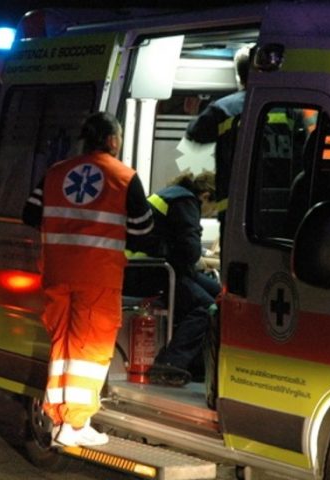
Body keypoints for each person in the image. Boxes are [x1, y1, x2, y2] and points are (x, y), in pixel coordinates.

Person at [22, 112, 153, 447]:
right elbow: (143, 231)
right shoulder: (123, 177)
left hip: (57, 273)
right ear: (112, 141)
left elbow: (30, 214)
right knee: (88, 351)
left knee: (63, 347)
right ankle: (76, 425)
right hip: (97, 276)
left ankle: (60, 416)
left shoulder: (56, 173)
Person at [142, 171, 222, 387]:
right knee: (207, 307)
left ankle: (196, 365)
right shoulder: (185, 201)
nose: (209, 213)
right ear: (205, 196)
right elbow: (191, 250)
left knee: (222, 296)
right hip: (151, 271)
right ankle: (169, 365)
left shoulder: (174, 195)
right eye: (211, 208)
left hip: (156, 267)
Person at [185, 45, 251, 246]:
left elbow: (195, 134)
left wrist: (199, 110)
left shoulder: (225, 108)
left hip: (234, 207)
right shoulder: (288, 107)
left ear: (239, 76)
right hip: (277, 207)